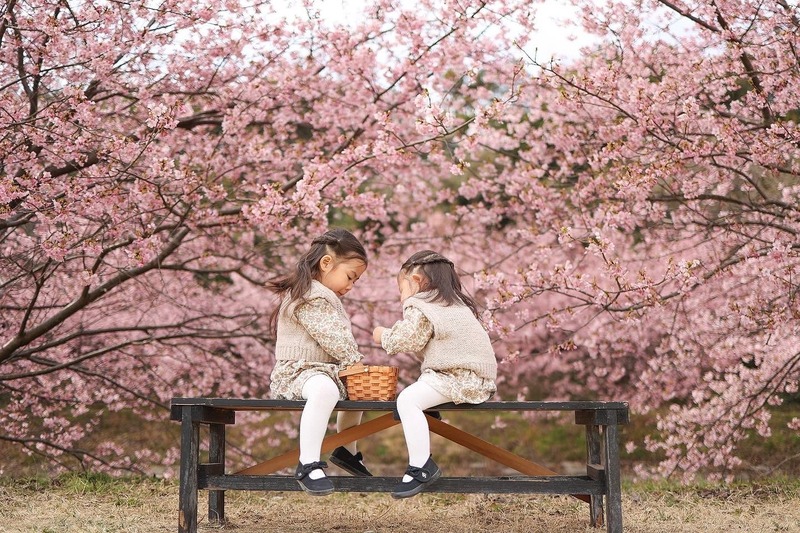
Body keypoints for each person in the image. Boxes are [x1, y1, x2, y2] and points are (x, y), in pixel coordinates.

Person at [372, 250, 498, 499]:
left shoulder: (421, 304)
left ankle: (421, 467)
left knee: (407, 400)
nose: (401, 298)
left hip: (455, 376)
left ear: (417, 281)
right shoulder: (455, 305)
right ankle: (431, 409)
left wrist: (382, 334)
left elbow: (408, 339)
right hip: (477, 379)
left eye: (401, 289)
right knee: (416, 393)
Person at [268, 228, 373, 496]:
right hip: (298, 371)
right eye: (350, 277)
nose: (350, 286)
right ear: (326, 263)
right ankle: (308, 463)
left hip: (324, 371)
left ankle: (347, 450)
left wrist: (353, 368)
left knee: (358, 389)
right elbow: (331, 336)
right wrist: (353, 359)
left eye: (356, 281)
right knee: (324, 390)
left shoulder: (324, 295)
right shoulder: (309, 294)